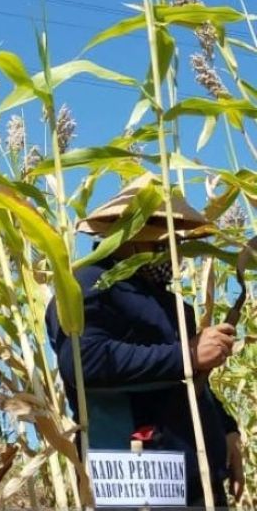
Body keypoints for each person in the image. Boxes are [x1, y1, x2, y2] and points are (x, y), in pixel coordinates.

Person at [47, 175, 245, 509]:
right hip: (139, 475)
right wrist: (190, 353)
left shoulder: (170, 304)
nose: (174, 257)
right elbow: (84, 361)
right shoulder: (87, 285)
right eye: (161, 246)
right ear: (130, 237)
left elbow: (187, 379)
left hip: (195, 475)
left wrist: (226, 429)